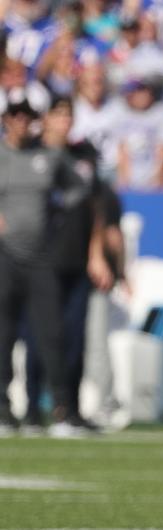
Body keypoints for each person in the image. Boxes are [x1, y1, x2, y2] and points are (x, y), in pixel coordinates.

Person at [0, 88, 90, 436]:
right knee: (3, 335)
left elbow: (78, 189)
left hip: (41, 257)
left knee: (52, 334)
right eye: (16, 115)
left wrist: (56, 208)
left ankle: (61, 409)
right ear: (7, 119)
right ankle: (4, 409)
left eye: (28, 116)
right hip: (5, 257)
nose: (22, 122)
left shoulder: (50, 157)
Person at [21, 95, 113, 435]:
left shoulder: (84, 154)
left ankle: (69, 409)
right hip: (38, 259)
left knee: (75, 337)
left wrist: (97, 252)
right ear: (44, 119)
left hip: (76, 255)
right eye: (57, 114)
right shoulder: (28, 153)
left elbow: (96, 207)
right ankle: (32, 408)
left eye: (68, 114)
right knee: (40, 336)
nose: (63, 120)